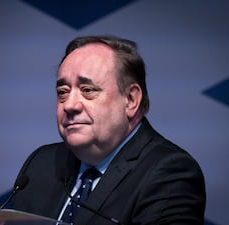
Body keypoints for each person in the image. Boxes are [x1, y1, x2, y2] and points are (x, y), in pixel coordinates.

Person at [12, 35, 206, 225]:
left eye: (88, 90)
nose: (69, 105)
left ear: (130, 100)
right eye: (62, 92)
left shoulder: (169, 173)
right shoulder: (41, 164)